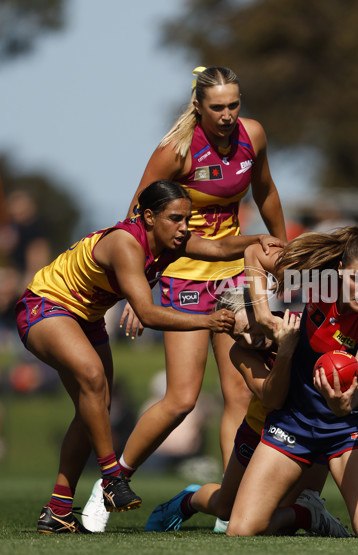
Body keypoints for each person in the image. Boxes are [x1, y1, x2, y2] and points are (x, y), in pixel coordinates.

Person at [15, 180, 281, 534]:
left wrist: (256, 240)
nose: (184, 228)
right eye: (176, 218)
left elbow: (218, 249)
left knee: (92, 405)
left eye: (187, 219)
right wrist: (208, 320)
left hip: (87, 318)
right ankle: (111, 478)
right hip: (47, 306)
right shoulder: (127, 244)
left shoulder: (173, 241)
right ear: (149, 217)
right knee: (94, 380)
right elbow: (147, 312)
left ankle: (58, 511)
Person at [116, 66, 287, 495]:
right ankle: (113, 481)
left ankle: (232, 502)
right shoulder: (175, 150)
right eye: (218, 107)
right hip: (184, 275)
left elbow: (264, 190)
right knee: (182, 399)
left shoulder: (254, 135)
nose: (228, 115)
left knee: (242, 396)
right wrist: (139, 292)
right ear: (198, 106)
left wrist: (283, 250)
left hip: (233, 272)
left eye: (234, 105)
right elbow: (138, 219)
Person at [225, 227, 358, 539]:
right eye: (357, 278)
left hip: (349, 425)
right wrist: (263, 318)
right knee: (241, 529)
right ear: (340, 272)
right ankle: (308, 514)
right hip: (295, 420)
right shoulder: (318, 283)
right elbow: (254, 254)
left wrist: (345, 401)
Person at [142, 286, 349, 537]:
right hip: (259, 430)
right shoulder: (239, 352)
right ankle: (190, 499)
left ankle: (309, 514)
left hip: (309, 431)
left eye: (250, 329)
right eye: (239, 336)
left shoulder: (302, 326)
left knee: (278, 523)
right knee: (225, 508)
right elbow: (273, 398)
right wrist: (285, 351)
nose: (250, 341)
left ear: (262, 313)